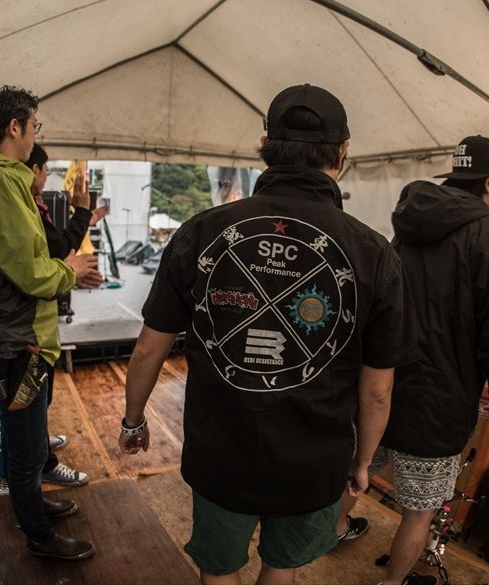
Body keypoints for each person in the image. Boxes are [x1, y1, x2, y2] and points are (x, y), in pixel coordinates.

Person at [119, 84, 413, 585]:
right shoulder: (374, 253)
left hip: (221, 451)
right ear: (342, 151)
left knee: (219, 568)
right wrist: (363, 460)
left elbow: (150, 348)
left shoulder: (200, 232)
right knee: (282, 568)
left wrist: (133, 421)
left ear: (264, 146)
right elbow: (378, 389)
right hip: (314, 459)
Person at [376, 136, 489, 585]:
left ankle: (333, 534)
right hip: (440, 401)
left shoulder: (408, 226)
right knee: (419, 512)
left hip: (382, 384)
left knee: (357, 473)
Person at [0, 85, 101, 561]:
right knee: (24, 449)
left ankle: (33, 505)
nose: (35, 134)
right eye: (34, 125)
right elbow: (31, 271)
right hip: (12, 342)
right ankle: (38, 536)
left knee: (31, 441)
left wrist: (65, 272)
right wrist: (70, 270)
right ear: (14, 127)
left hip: (17, 336)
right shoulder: (0, 183)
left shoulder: (0, 181)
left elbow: (27, 261)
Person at [23, 143, 105, 487]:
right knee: (29, 411)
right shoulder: (22, 206)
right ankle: (42, 466)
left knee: (39, 402)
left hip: (36, 327)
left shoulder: (31, 204)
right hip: (25, 332)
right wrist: (83, 213)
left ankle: (41, 445)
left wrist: (72, 275)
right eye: (45, 171)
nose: (45, 178)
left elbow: (50, 260)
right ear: (35, 170)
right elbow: (58, 250)